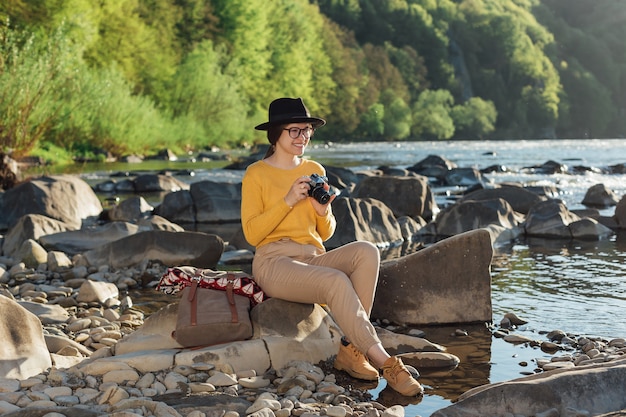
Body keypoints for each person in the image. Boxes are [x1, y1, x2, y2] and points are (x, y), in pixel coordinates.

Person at [241, 97, 423, 397]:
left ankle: (351, 351)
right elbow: (252, 234)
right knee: (336, 280)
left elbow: (325, 233)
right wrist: (288, 200)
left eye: (307, 131)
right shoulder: (256, 174)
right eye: (295, 131)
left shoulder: (314, 168)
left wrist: (321, 210)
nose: (303, 137)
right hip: (274, 263)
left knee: (367, 251)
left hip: (313, 258)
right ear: (276, 134)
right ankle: (386, 363)